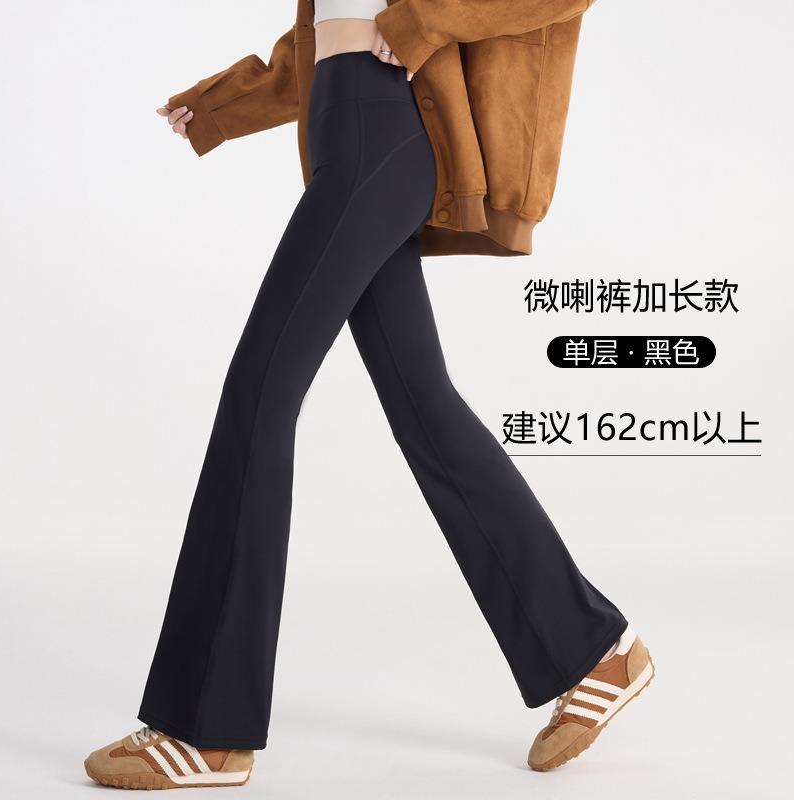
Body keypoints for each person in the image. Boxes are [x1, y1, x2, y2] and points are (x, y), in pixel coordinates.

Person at [84, 0, 653, 789]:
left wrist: (421, 23)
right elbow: (332, 30)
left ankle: (208, 730)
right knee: (425, 408)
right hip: (348, 125)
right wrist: (220, 104)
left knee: (259, 395)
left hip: (382, 127)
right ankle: (593, 652)